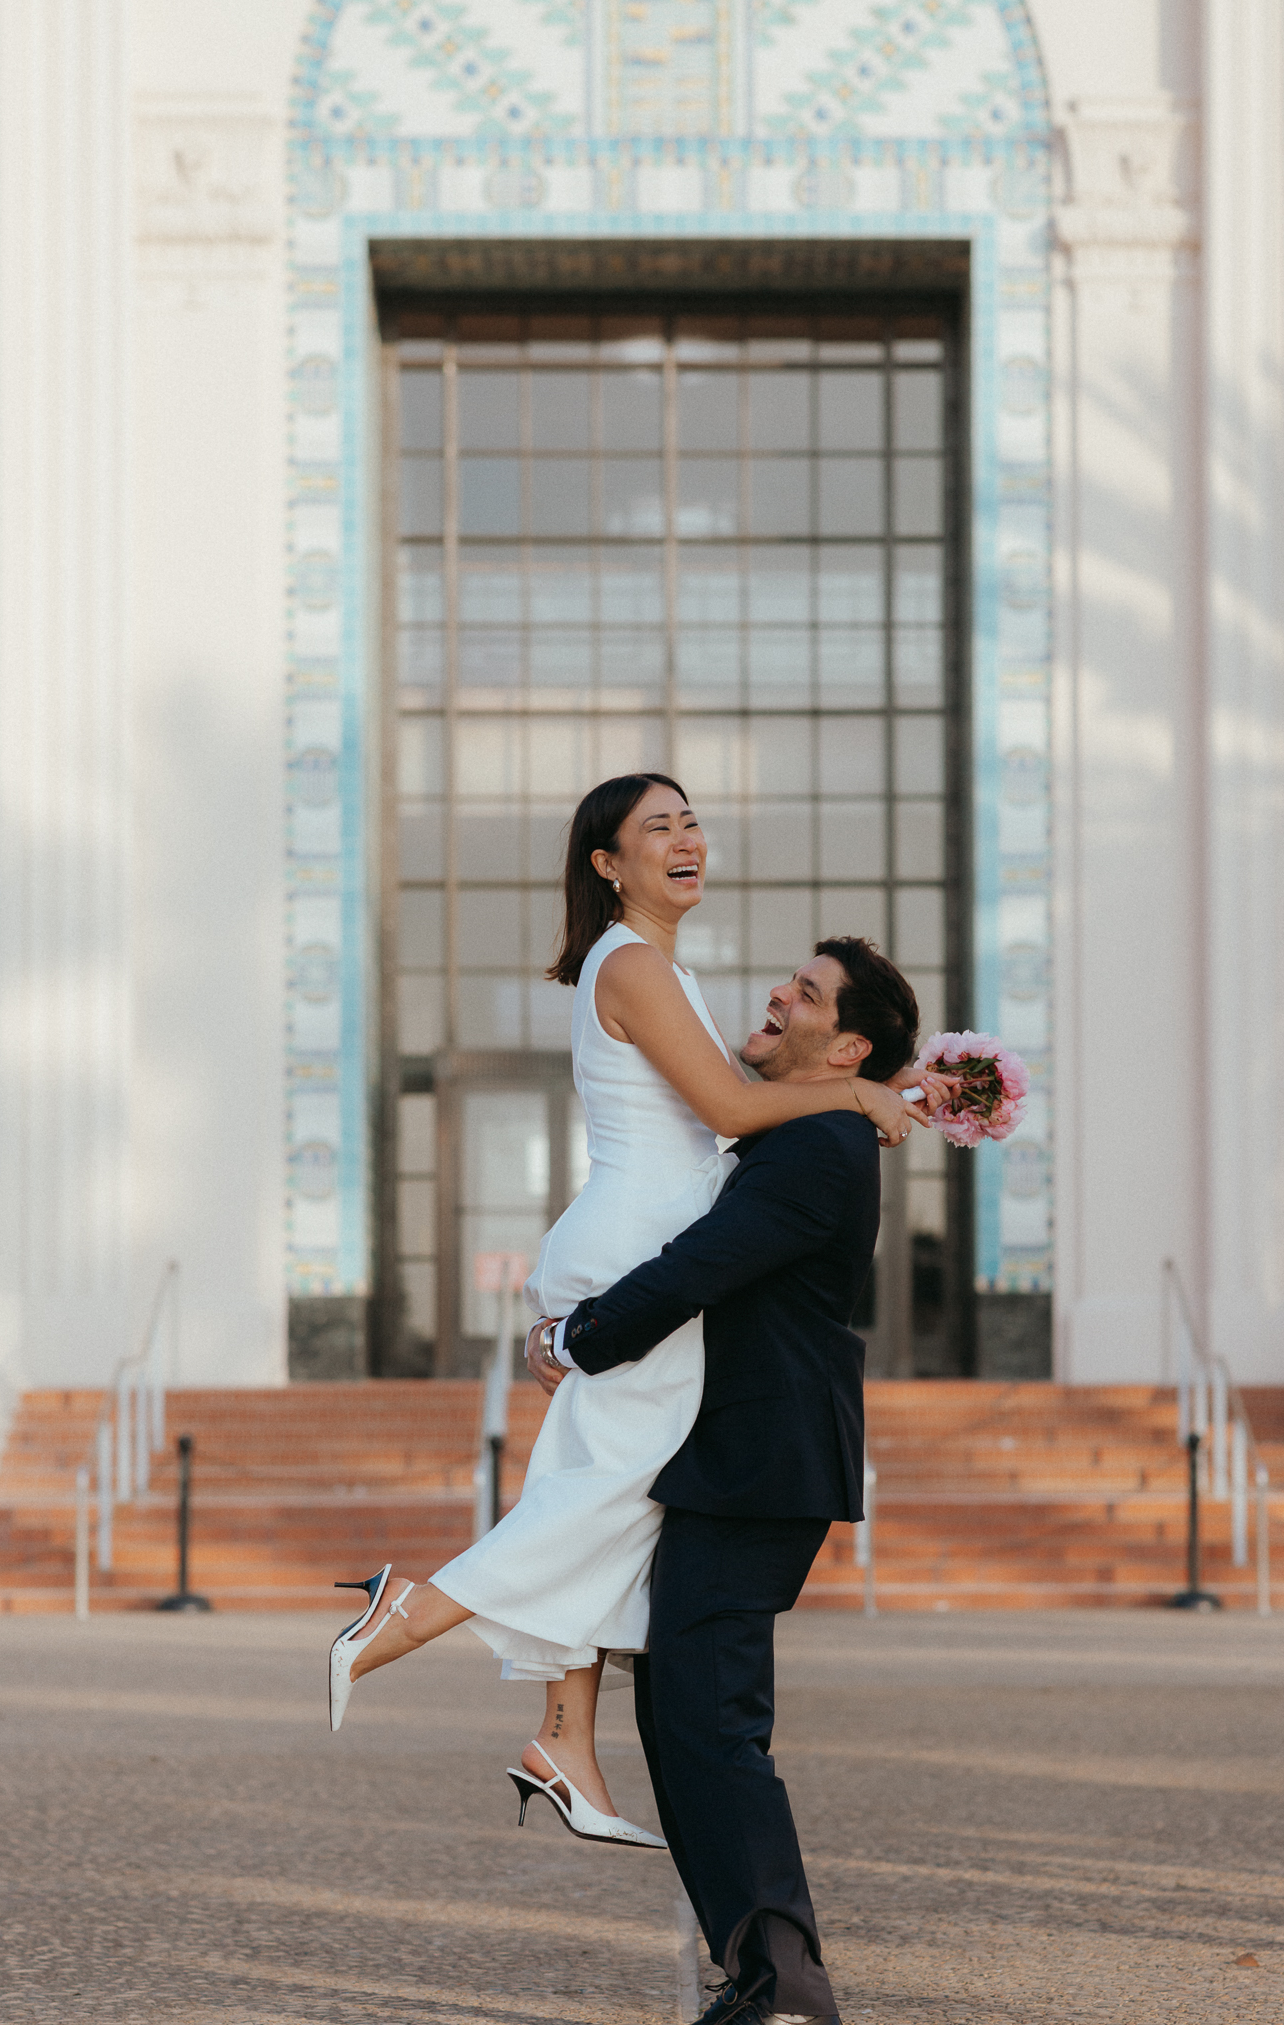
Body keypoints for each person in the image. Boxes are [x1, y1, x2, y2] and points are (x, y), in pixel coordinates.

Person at [327, 772, 943, 1848]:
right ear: (609, 865)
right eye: (656, 827)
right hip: (641, 1246)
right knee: (609, 1495)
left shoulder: (649, 964)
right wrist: (859, 1092)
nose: (685, 836)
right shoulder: (636, 963)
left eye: (692, 819)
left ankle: (564, 1738)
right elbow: (731, 1109)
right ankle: (405, 1611)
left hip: (629, 1236)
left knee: (607, 1488)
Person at [524, 933, 920, 2025]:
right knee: (682, 1715)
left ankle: (789, 1993)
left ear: (847, 1046)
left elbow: (701, 1264)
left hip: (762, 1461)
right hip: (733, 1459)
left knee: (714, 1723)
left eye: (806, 994)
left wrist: (578, 1335)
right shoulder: (802, 1132)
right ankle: (756, 1979)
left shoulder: (828, 1142)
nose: (778, 996)